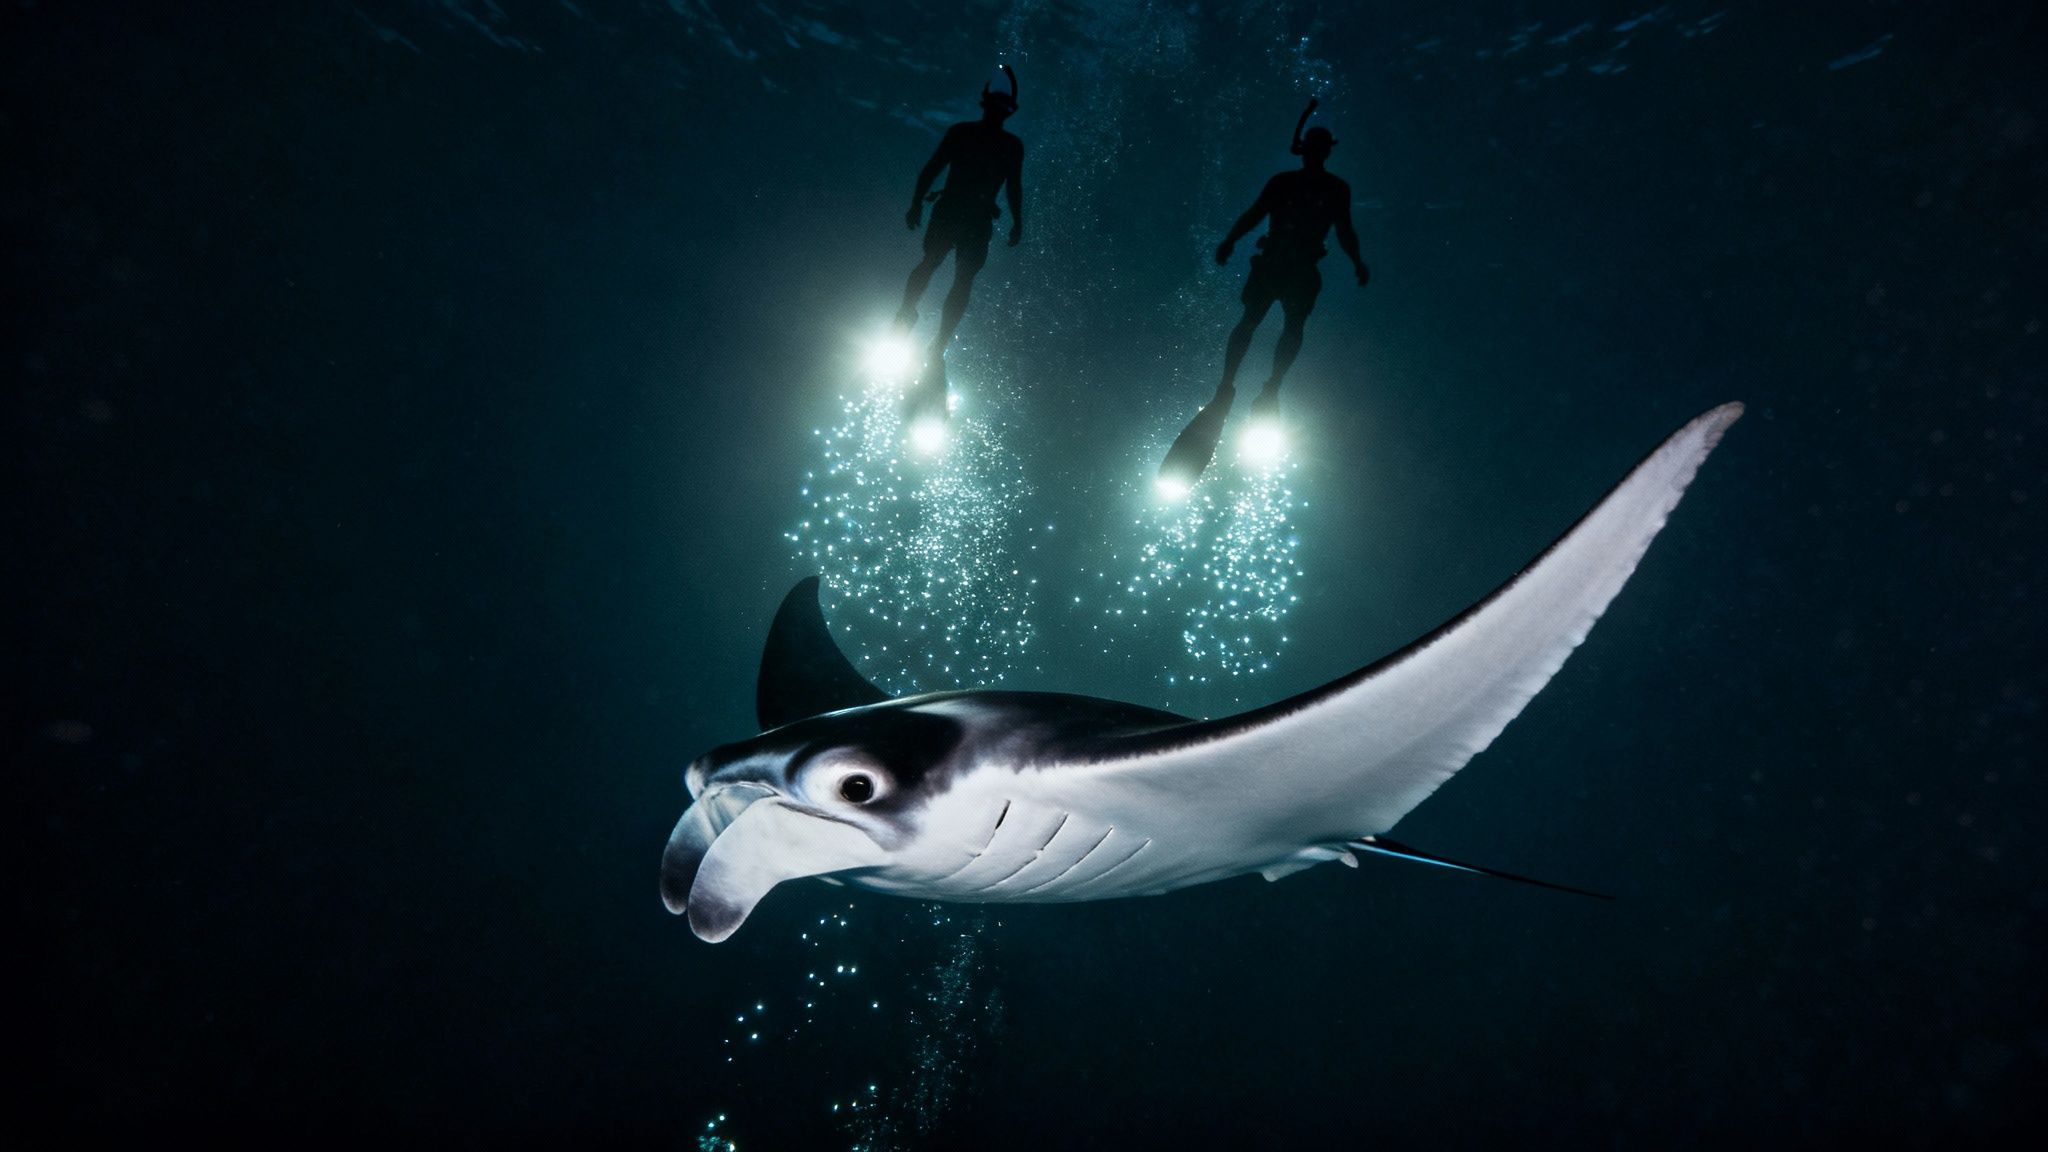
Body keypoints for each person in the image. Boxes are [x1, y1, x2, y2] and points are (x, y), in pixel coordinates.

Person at [1160, 99, 1369, 487]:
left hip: (1291, 265)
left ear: (1321, 151)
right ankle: (1241, 384)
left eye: (1320, 148)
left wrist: (1357, 260)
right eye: (1314, 147)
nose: (1317, 153)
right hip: (1279, 262)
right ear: (1307, 149)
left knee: (1281, 325)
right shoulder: (1296, 184)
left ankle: (1257, 385)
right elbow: (1257, 214)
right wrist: (1230, 240)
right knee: (1259, 322)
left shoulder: (1328, 188)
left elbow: (1343, 229)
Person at [897, 66, 1025, 423]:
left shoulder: (967, 134)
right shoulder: (1006, 144)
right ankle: (928, 333)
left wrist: (917, 201)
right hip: (969, 216)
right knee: (953, 274)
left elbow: (933, 168)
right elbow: (1012, 187)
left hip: (958, 213)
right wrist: (1017, 221)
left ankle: (911, 316)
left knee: (935, 265)